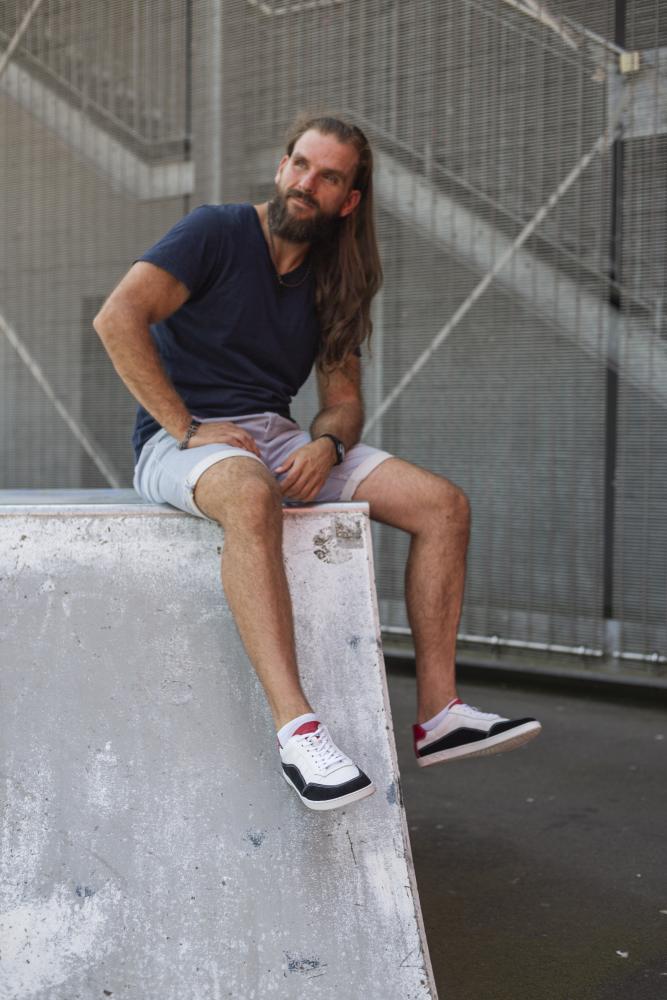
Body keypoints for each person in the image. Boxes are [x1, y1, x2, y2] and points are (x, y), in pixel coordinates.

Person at [94, 112, 541, 812]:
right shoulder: (216, 232)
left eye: (327, 176)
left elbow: (341, 400)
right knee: (248, 494)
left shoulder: (337, 275)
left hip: (279, 436)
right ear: (281, 167)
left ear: (347, 200)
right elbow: (117, 317)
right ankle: (298, 731)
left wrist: (325, 443)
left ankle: (439, 715)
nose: (307, 183)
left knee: (442, 506)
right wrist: (186, 426)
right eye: (300, 165)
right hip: (180, 442)